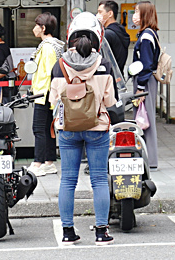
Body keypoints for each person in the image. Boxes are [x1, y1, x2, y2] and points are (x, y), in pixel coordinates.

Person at [51, 12, 117, 245]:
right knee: (99, 179)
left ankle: (68, 232)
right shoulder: (104, 65)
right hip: (97, 127)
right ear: (98, 37)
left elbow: (53, 100)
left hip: (67, 127)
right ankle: (101, 232)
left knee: (68, 179)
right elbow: (109, 102)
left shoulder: (60, 66)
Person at [28, 12, 62, 177]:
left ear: (43, 28)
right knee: (48, 129)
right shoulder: (54, 45)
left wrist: (47, 95)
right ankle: (49, 162)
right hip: (49, 95)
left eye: (36, 25)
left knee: (39, 128)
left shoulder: (47, 47)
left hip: (43, 94)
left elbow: (49, 73)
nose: (34, 28)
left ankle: (38, 163)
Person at [131, 1, 161, 169]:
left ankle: (150, 160)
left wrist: (141, 86)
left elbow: (146, 64)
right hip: (146, 80)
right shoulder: (148, 34)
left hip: (145, 81)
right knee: (144, 118)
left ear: (145, 15)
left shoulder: (147, 36)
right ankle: (148, 158)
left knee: (145, 119)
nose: (134, 16)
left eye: (137, 12)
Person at [97, 0, 129, 73]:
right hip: (118, 76)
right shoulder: (120, 31)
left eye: (100, 12)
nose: (97, 15)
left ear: (110, 14)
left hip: (108, 77)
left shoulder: (107, 34)